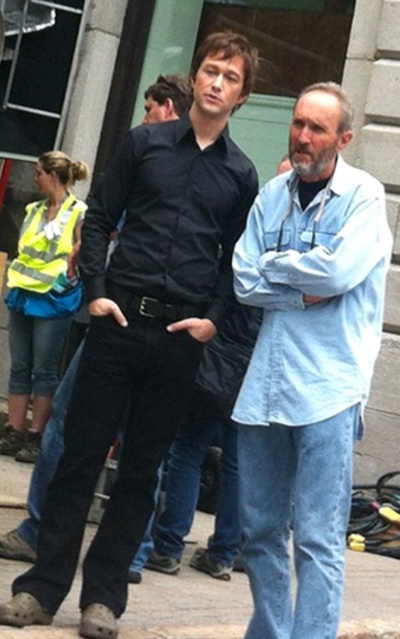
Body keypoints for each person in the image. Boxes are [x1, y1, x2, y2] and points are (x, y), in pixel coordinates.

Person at [0, 31, 259, 639]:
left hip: (179, 338)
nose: (218, 82)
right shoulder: (144, 144)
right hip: (117, 326)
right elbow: (99, 220)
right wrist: (95, 292)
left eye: (231, 77)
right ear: (195, 75)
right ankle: (41, 589)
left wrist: (213, 318)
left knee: (142, 472)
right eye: (212, 70)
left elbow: (236, 260)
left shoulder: (241, 174)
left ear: (242, 96)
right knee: (78, 459)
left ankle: (104, 600)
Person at [0, 74, 193, 573]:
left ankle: (90, 542)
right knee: (112, 434)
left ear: (168, 110)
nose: (142, 118)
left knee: (113, 433)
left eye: (149, 108)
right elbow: (105, 220)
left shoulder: (180, 167)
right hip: (126, 319)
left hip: (144, 324)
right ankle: (96, 543)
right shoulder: (149, 159)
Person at [231, 81, 392, 639]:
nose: (302, 136)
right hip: (266, 387)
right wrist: (302, 288)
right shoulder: (271, 194)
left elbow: (338, 273)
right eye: (298, 123)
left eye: (317, 128)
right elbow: (243, 279)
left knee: (318, 539)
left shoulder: (364, 197)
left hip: (330, 389)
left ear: (343, 138)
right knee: (259, 532)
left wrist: (276, 266)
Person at [146, 302, 261, 581]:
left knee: (188, 449)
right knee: (236, 464)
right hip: (255, 367)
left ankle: (168, 547)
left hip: (218, 361)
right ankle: (222, 554)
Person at [0, 151, 89, 464]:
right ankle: (14, 431)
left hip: (53, 300)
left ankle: (36, 435)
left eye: (38, 173)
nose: (34, 178)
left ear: (53, 175)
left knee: (44, 370)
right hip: (23, 294)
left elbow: (83, 253)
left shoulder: (78, 212)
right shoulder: (33, 210)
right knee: (20, 366)